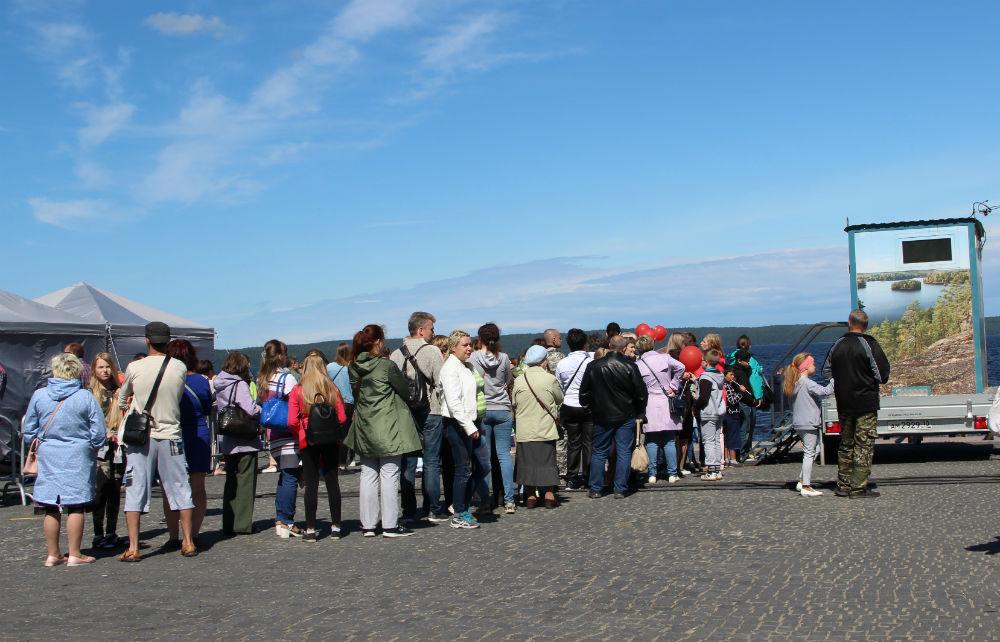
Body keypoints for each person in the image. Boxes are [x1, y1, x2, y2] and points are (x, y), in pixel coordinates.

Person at [117, 322, 197, 561]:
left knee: (136, 488)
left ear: (147, 340)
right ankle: (188, 541)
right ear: (168, 341)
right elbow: (178, 395)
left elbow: (122, 400)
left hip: (142, 436)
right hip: (171, 433)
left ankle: (133, 546)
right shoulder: (179, 367)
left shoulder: (134, 366)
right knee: (181, 487)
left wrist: (133, 403)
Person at [24, 353, 106, 567]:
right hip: (78, 453)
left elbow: (28, 429)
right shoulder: (85, 396)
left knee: (50, 504)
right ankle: (75, 553)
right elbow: (98, 431)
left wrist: (40, 441)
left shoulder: (40, 395)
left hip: (49, 452)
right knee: (75, 504)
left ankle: (53, 554)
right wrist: (92, 445)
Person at [347, 324, 422, 538]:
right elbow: (404, 390)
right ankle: (390, 524)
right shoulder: (385, 366)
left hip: (364, 424)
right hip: (388, 424)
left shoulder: (353, 367)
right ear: (379, 342)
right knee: (389, 474)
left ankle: (368, 524)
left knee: (368, 474)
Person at [822, 309, 890, 498]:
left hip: (843, 402)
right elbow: (882, 374)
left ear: (850, 323)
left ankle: (843, 485)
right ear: (865, 325)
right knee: (864, 445)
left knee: (846, 443)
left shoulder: (838, 345)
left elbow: (826, 373)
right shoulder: (869, 344)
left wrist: (843, 379)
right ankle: (858, 487)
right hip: (865, 402)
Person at [389, 311, 448, 523]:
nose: (433, 333)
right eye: (431, 329)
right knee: (431, 461)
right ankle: (433, 508)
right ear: (421, 330)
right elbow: (441, 383)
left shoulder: (396, 354)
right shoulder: (432, 352)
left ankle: (409, 510)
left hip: (406, 413)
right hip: (431, 410)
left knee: (408, 463)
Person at [579, 335, 647, 499]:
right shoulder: (630, 366)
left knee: (599, 452)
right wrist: (639, 412)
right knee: (624, 451)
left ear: (609, 345)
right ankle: (620, 488)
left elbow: (584, 393)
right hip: (626, 415)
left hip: (601, 415)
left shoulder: (594, 365)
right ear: (624, 348)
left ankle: (595, 488)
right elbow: (641, 393)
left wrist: (590, 409)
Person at [289, 352, 347, 541]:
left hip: (308, 439)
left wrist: (301, 431)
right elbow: (342, 417)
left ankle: (311, 529)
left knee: (311, 484)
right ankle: (336, 526)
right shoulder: (332, 390)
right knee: (332, 482)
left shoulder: (298, 390)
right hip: (330, 439)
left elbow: (291, 420)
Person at [439, 329, 492, 528]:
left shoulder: (466, 366)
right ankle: (459, 513)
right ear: (453, 347)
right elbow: (454, 402)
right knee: (463, 469)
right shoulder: (450, 368)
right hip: (458, 424)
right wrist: (469, 426)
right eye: (465, 345)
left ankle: (462, 503)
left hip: (473, 422)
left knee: (483, 466)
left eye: (470, 344)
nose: (470, 348)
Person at [165, 339, 212, 545]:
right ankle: (193, 534)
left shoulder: (166, 380)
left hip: (172, 432)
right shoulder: (201, 381)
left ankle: (174, 535)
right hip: (197, 432)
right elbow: (207, 407)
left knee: (171, 486)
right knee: (197, 486)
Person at [467, 322, 515, 514]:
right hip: (502, 408)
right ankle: (510, 500)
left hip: (483, 409)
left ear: (480, 339)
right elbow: (506, 381)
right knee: (504, 456)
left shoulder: (474, 357)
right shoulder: (503, 358)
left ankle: (485, 501)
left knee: (484, 458)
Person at [213, 351, 262, 536]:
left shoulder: (219, 383)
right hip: (244, 438)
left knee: (230, 482)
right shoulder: (240, 384)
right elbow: (249, 408)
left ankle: (228, 522)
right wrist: (261, 409)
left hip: (227, 437)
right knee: (246, 482)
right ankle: (242, 523)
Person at [258, 339, 303, 538]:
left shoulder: (263, 379)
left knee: (284, 476)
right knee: (291, 476)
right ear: (279, 356)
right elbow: (297, 403)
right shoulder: (287, 379)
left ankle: (280, 518)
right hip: (287, 432)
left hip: (272, 434)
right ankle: (286, 520)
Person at [511, 345, 564, 508]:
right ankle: (549, 494)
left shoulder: (519, 380)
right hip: (545, 427)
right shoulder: (550, 379)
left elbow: (514, 403)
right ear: (543, 362)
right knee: (547, 461)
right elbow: (559, 398)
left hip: (525, 429)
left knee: (527, 462)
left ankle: (531, 496)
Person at [634, 335, 685, 484]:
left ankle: (652, 473)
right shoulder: (665, 358)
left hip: (649, 402)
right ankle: (672, 473)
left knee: (651, 440)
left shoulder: (639, 364)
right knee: (669, 440)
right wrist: (674, 386)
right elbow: (681, 367)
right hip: (666, 400)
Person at [783, 353, 835, 497]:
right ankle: (806, 485)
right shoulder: (807, 383)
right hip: (809, 422)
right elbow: (825, 392)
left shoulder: (795, 383)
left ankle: (802, 480)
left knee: (816, 448)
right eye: (813, 364)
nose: (815, 367)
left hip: (799, 422)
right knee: (809, 452)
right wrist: (834, 379)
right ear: (805, 368)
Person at [87, 352, 125, 550]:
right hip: (98, 448)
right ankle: (97, 533)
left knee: (114, 489)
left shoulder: (119, 391)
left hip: (117, 446)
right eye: (100, 367)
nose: (105, 370)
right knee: (100, 491)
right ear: (94, 369)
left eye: (107, 366)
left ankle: (111, 531)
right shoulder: (90, 392)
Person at [554, 328, 593, 490]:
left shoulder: (562, 363)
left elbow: (559, 385)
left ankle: (571, 478)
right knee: (589, 443)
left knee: (573, 442)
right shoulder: (591, 361)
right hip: (588, 405)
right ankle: (589, 476)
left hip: (569, 404)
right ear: (585, 344)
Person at [728, 335, 765, 459]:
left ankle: (741, 451)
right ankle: (744, 452)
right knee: (747, 427)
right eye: (747, 361)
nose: (748, 363)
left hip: (740, 399)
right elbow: (754, 380)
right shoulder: (745, 367)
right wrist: (757, 397)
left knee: (743, 427)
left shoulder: (732, 362)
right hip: (746, 400)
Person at [693, 349, 726, 481]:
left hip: (708, 412)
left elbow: (704, 397)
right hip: (719, 411)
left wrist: (696, 405)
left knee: (708, 441)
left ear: (706, 362)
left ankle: (711, 469)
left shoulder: (706, 377)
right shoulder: (720, 375)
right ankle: (717, 468)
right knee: (716, 440)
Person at [327, 343, 356, 470]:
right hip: (348, 404)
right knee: (345, 435)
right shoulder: (350, 368)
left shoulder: (329, 367)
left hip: (333, 403)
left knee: (332, 434)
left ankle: (331, 461)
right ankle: (342, 463)